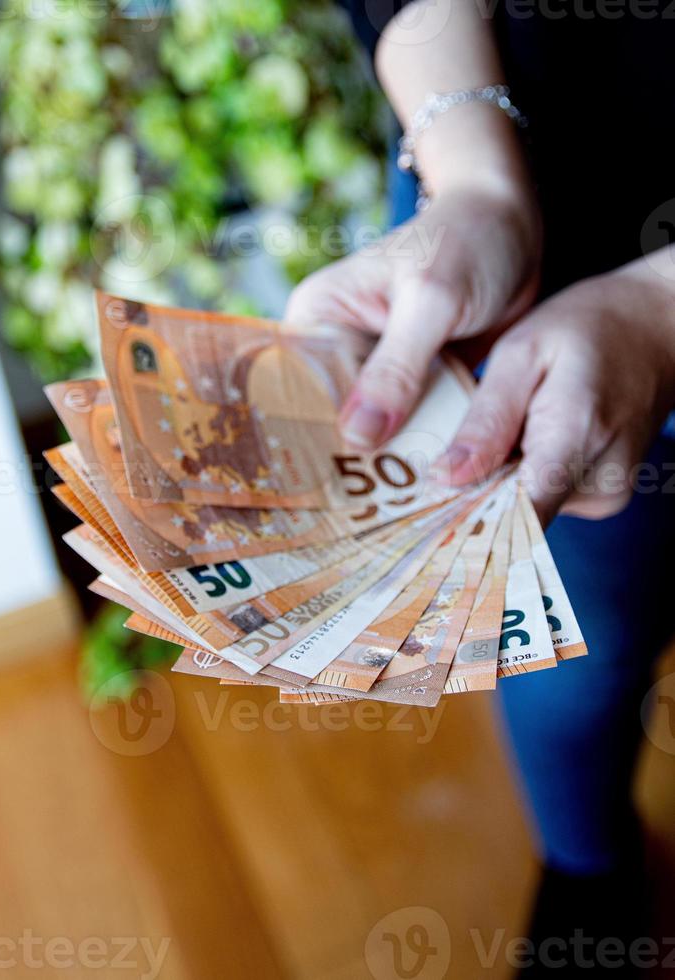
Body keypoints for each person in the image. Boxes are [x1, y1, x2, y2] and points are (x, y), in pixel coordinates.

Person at [286, 0, 675, 973]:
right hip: (495, 206)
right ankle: (587, 866)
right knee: (569, 644)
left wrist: (660, 314)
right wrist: (474, 182)